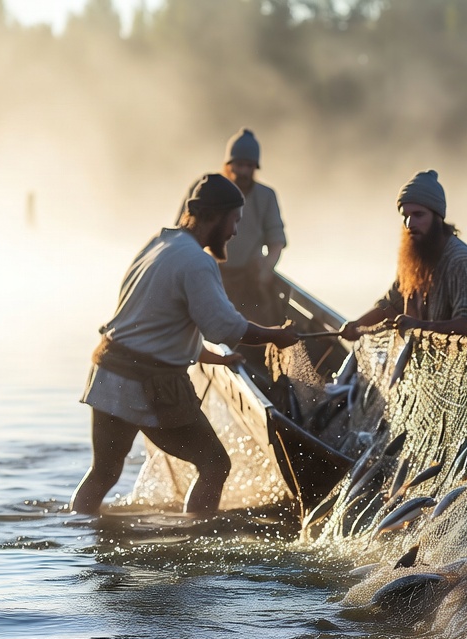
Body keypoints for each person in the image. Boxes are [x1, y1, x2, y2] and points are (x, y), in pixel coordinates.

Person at [73, 174, 299, 516]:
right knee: (214, 464)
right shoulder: (197, 261)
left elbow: (155, 325)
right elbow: (224, 327)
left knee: (103, 473)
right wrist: (275, 335)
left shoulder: (160, 244)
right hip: (145, 383)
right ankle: (192, 540)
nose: (235, 232)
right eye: (233, 221)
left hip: (107, 371)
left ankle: (76, 535)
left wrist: (215, 359)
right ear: (214, 217)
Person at [340, 170, 467, 340]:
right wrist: (357, 326)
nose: (409, 224)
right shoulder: (415, 260)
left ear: (437, 217)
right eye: (405, 216)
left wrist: (420, 327)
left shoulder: (463, 263)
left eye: (418, 215)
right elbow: (390, 306)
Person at [178, 128, 287, 323]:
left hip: (249, 278)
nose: (243, 172)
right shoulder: (205, 189)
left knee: (258, 323)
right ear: (228, 164)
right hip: (210, 273)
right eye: (239, 165)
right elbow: (184, 230)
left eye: (249, 166)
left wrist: (265, 270)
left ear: (255, 167)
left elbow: (276, 241)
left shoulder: (266, 196)